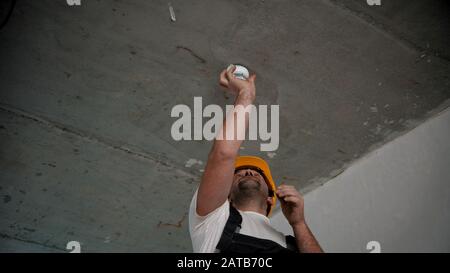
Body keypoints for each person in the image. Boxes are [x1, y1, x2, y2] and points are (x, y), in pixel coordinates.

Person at [188, 65, 323, 253]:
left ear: (270, 196)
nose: (249, 172)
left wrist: (299, 224)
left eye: (258, 172)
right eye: (238, 173)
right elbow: (224, 154)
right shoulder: (212, 220)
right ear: (225, 194)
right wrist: (245, 95)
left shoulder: (294, 243)